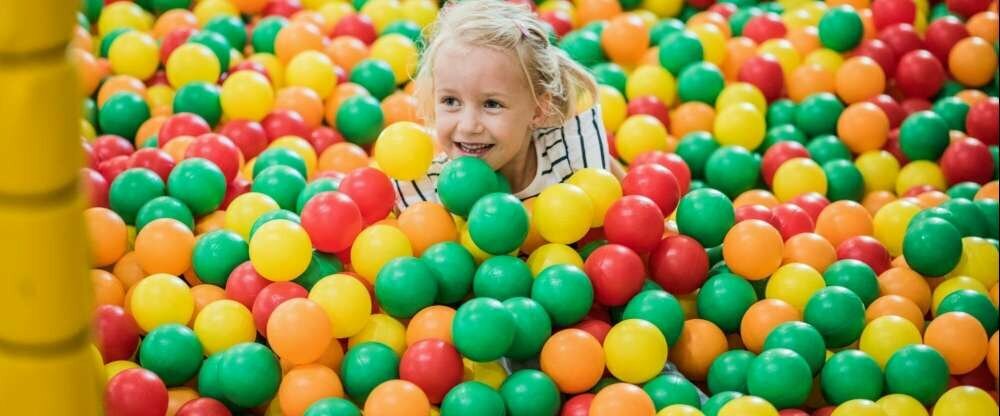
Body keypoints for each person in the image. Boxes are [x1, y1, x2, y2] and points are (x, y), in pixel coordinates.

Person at [393, 0, 624, 211]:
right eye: (451, 101)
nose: (468, 126)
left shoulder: (573, 156)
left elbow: (627, 210)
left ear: (538, 109)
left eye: (492, 104)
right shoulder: (422, 194)